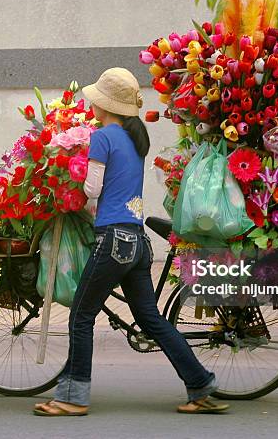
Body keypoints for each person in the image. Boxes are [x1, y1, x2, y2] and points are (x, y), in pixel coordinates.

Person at [33, 67, 228, 416]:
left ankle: (72, 398)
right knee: (151, 319)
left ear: (103, 105)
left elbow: (92, 189)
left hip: (112, 240)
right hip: (136, 242)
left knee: (81, 316)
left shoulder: (103, 136)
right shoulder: (135, 140)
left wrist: (70, 186)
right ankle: (201, 385)